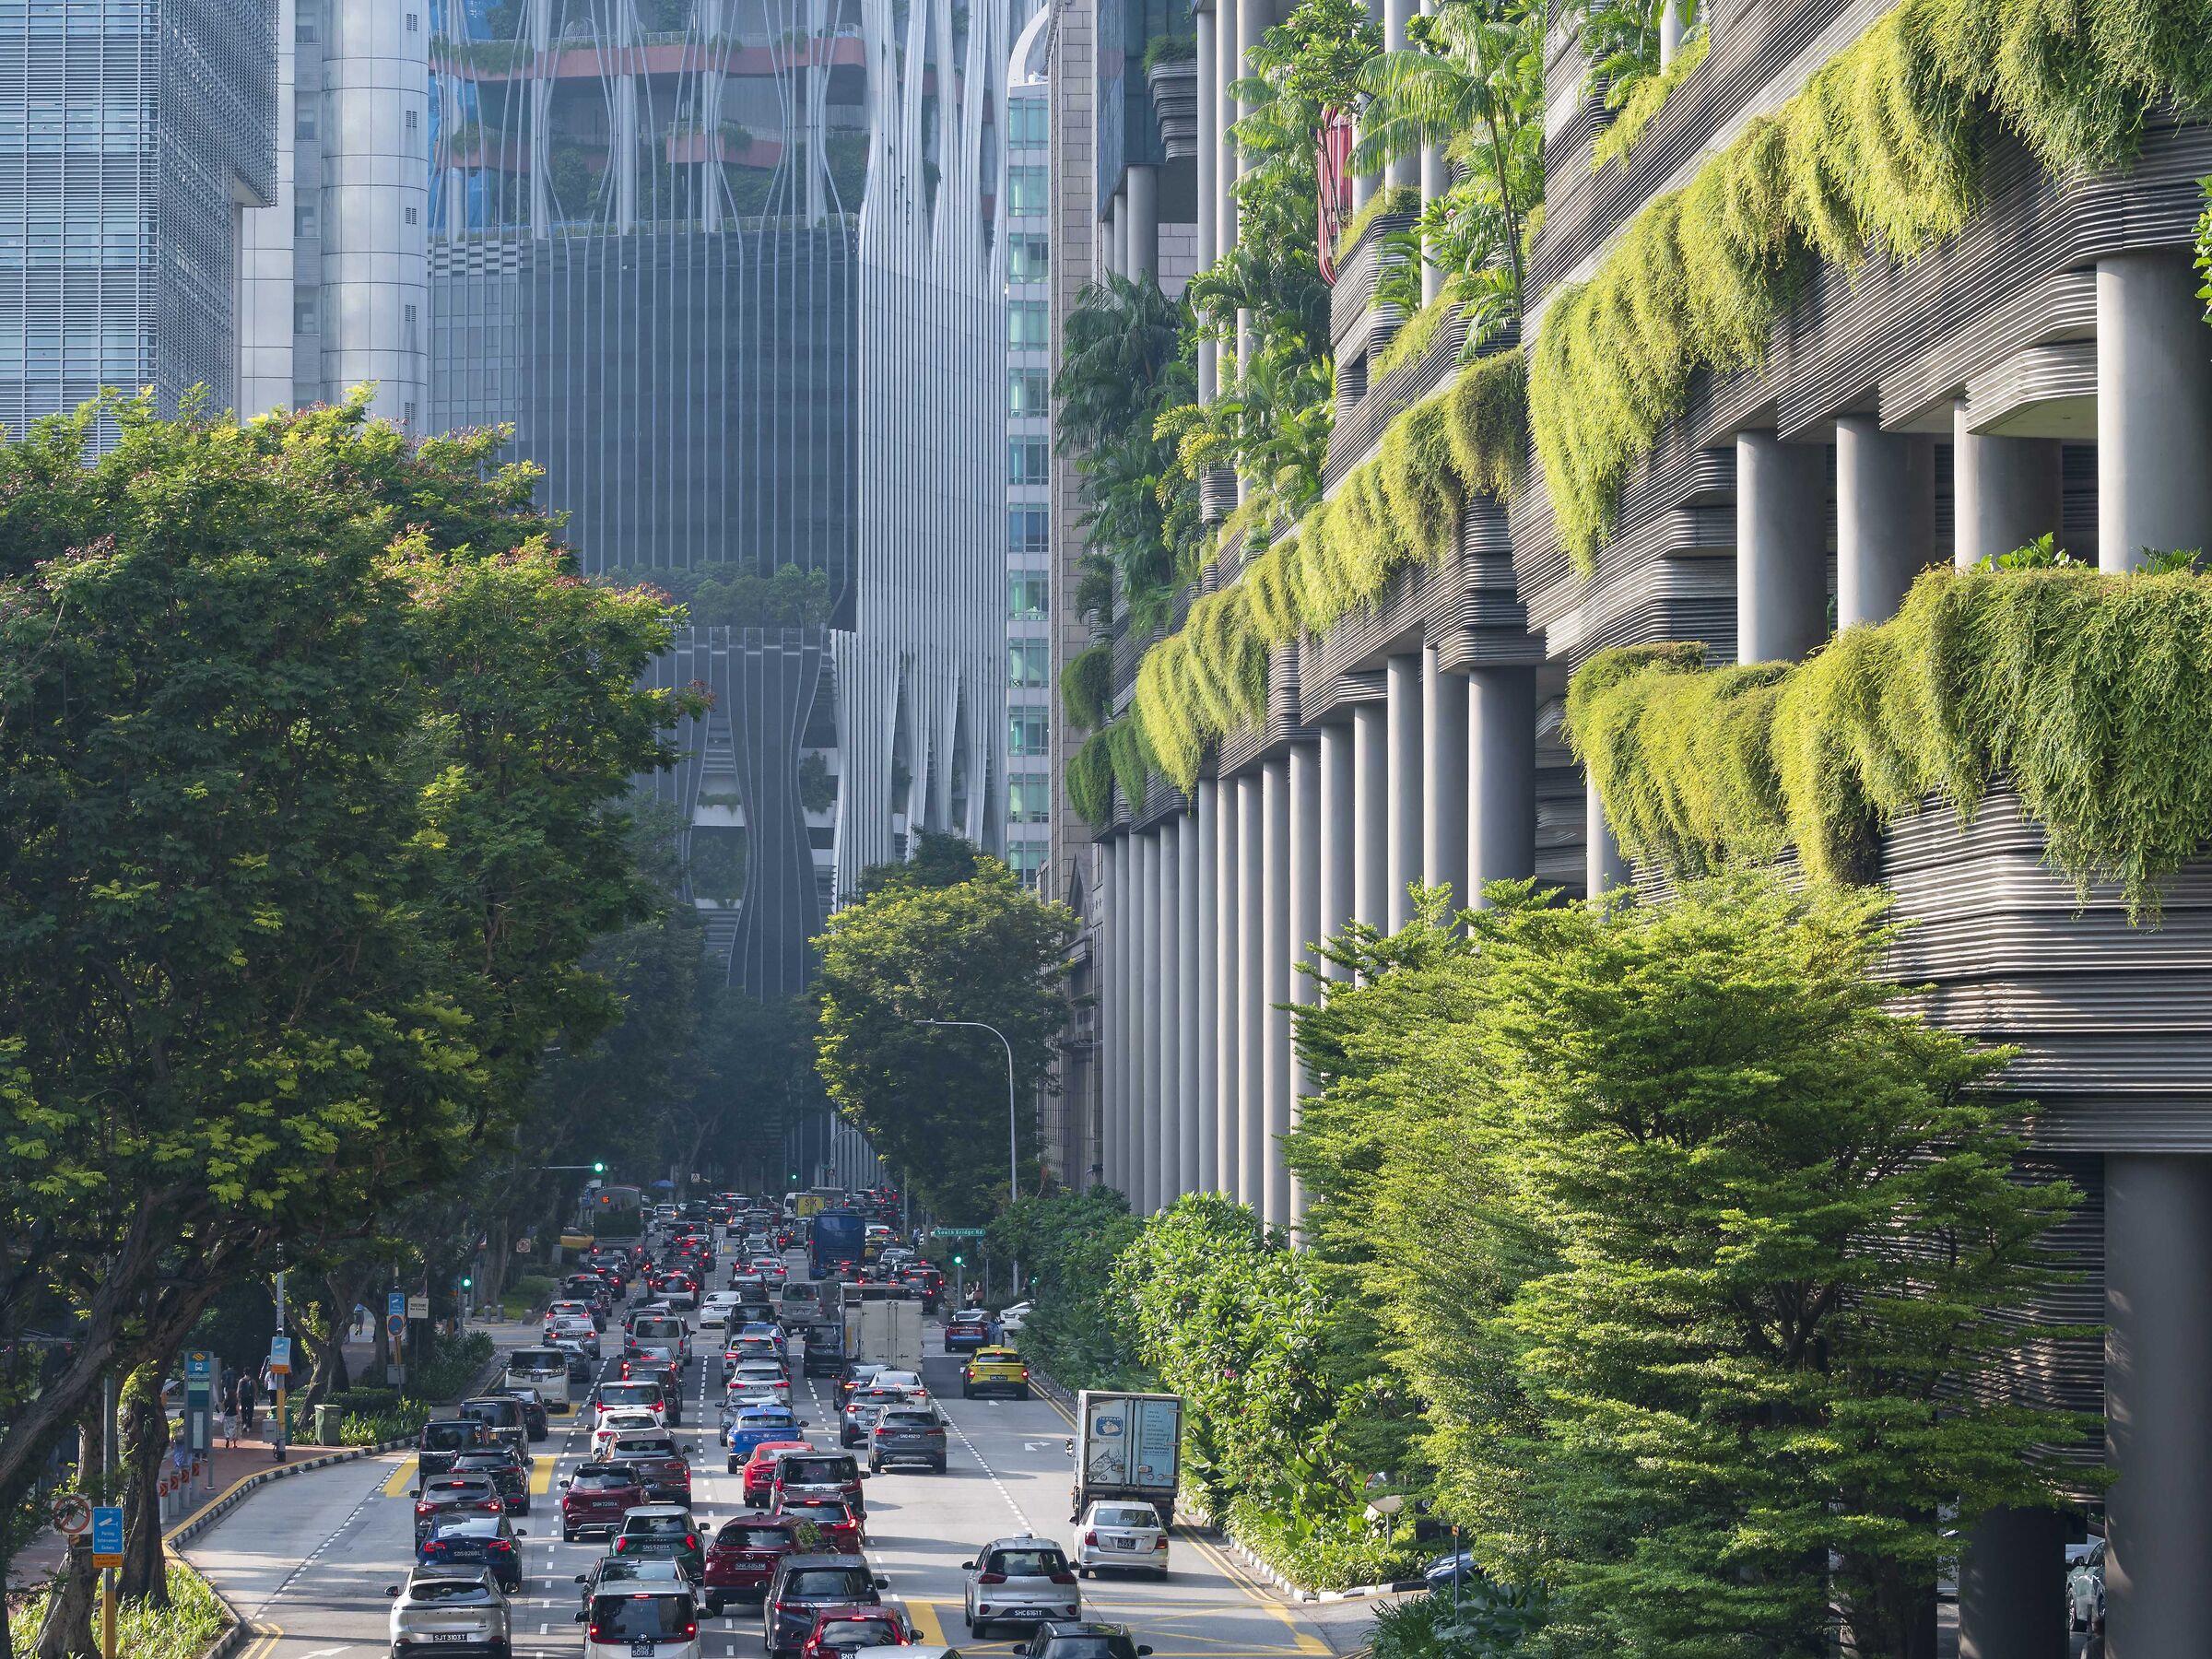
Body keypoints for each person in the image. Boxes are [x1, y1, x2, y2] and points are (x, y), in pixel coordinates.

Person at [234, 1370, 258, 1440]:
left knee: (243, 1410)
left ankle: (244, 1423)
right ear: (250, 1373)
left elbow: (238, 1391)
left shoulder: (241, 1381)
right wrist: (256, 1399)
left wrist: (237, 1399)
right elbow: (256, 1390)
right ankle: (249, 1426)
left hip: (243, 1398)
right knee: (250, 1411)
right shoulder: (252, 1381)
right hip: (250, 1398)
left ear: (244, 1373)